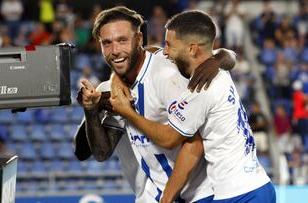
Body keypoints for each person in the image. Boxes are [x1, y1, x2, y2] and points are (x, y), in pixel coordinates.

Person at [110, 10, 276, 202]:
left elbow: (169, 139)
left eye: (170, 45)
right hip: (255, 184)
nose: (165, 51)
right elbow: (229, 55)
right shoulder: (216, 69)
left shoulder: (201, 88)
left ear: (192, 49)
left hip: (239, 194)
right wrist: (117, 76)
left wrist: (127, 112)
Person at [74, 6, 237, 203]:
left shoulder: (168, 70)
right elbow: (100, 153)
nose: (115, 50)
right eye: (106, 43)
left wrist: (217, 59)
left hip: (201, 193)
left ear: (139, 39)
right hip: (153, 194)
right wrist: (91, 109)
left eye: (122, 40)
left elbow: (194, 143)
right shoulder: (111, 89)